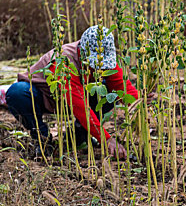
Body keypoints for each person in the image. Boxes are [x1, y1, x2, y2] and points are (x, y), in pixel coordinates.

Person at [6, 25, 139, 159]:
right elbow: (79, 106)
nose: (100, 68)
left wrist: (140, 101)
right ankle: (42, 140)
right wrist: (106, 138)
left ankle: (79, 136)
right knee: (17, 92)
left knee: (109, 93)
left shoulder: (104, 57)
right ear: (83, 52)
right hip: (46, 97)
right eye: (95, 64)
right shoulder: (64, 61)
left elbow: (122, 88)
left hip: (76, 98)